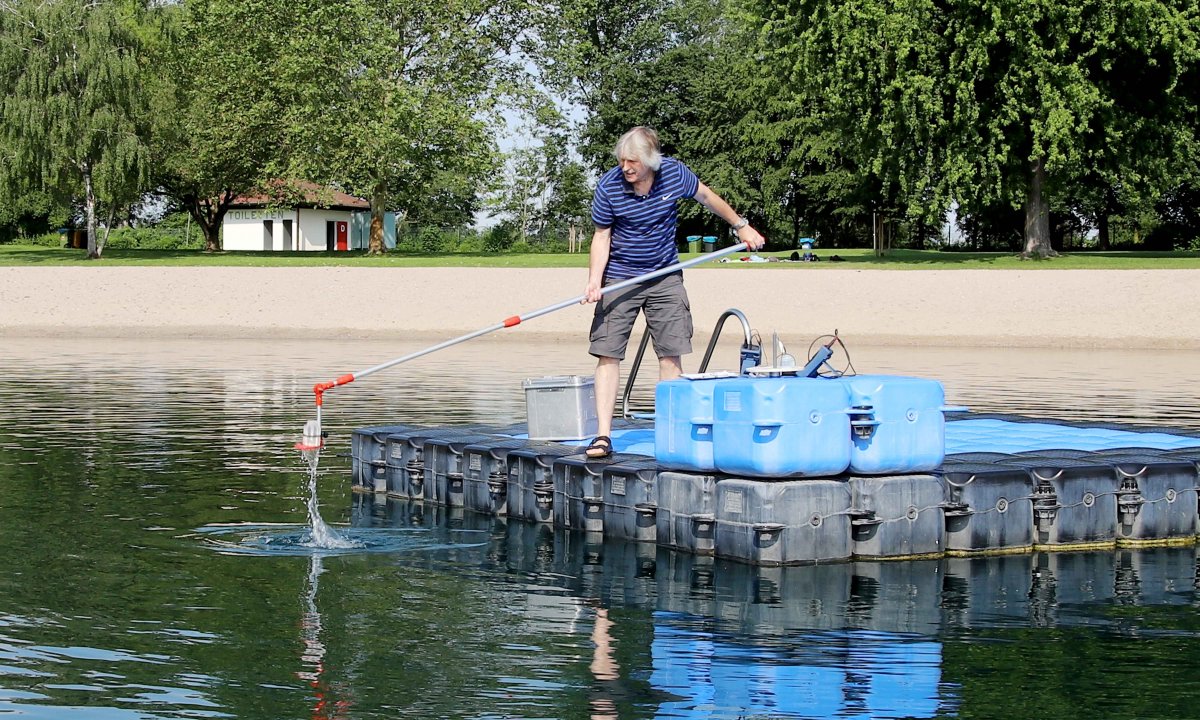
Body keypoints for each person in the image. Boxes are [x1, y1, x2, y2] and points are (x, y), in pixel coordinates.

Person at [582, 126, 765, 459]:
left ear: (651, 160)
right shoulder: (609, 187)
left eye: (633, 161)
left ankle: (669, 433)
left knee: (670, 353)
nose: (626, 167)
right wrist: (595, 280)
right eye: (622, 160)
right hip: (620, 276)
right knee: (607, 352)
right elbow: (601, 237)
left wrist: (741, 226)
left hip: (665, 276)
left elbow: (708, 198)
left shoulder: (674, 174)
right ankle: (603, 436)